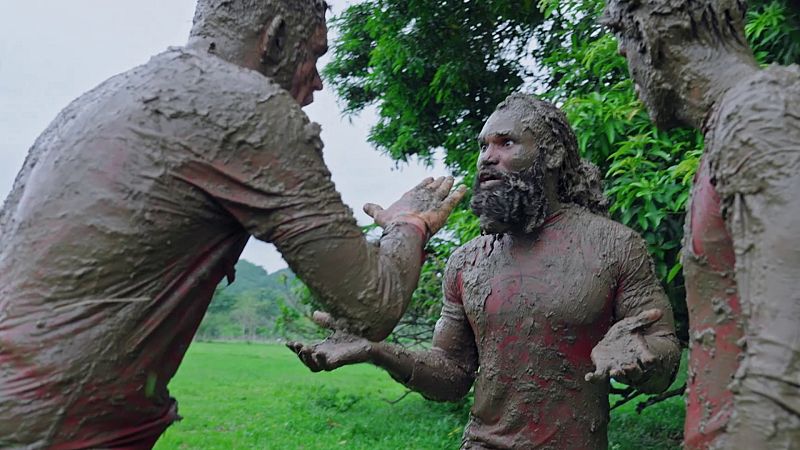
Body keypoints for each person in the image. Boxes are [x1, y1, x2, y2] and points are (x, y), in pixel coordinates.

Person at [0, 0, 466, 447]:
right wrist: (408, 223)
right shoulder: (248, 109)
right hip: (55, 428)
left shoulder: (102, 99)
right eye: (315, 54)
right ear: (276, 37)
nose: (319, 82)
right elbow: (375, 303)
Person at [288, 94, 681, 450]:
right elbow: (454, 374)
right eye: (482, 146)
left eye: (505, 143)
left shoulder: (614, 245)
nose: (486, 158)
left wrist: (643, 357)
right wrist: (376, 350)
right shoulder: (468, 261)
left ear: (553, 155)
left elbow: (664, 356)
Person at [602, 0, 800, 447]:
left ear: (649, 42)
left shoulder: (758, 114)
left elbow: (789, 359)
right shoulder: (733, 126)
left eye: (624, 48)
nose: (628, 68)